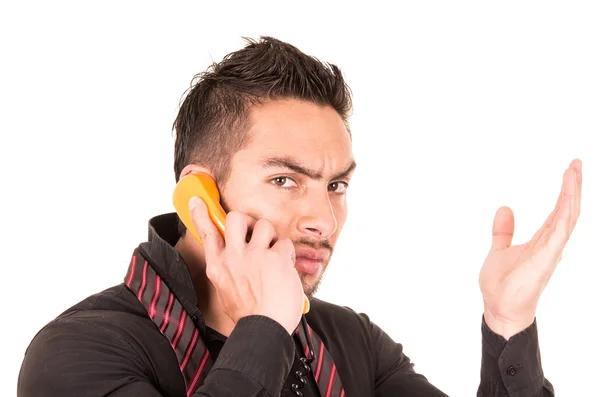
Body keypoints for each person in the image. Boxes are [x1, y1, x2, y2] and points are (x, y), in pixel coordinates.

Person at [17, 36, 582, 397]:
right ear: (199, 198)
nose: (324, 221)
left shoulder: (351, 343)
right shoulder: (76, 354)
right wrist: (261, 332)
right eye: (285, 180)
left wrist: (509, 324)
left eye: (336, 185)